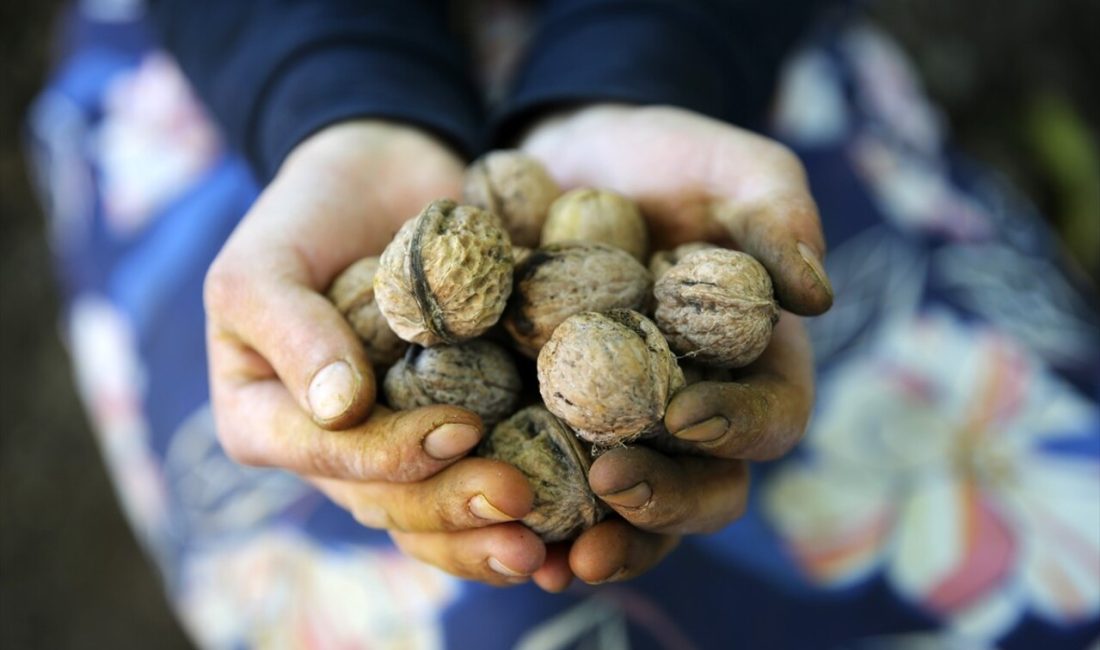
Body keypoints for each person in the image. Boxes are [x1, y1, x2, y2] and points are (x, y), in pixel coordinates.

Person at [27, 0, 1099, 647]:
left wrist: (642, 66)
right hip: (258, 62)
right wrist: (336, 96)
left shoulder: (605, 272)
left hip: (702, 53)